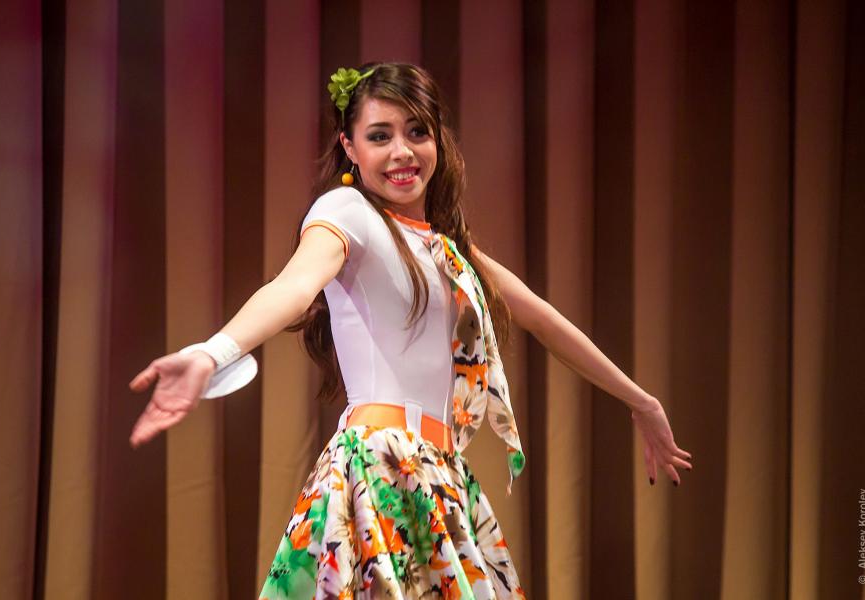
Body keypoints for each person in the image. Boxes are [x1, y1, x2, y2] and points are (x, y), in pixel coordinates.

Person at [128, 62, 693, 599]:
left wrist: (641, 402)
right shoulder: (347, 212)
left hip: (437, 472)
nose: (402, 151)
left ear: (438, 140)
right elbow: (293, 287)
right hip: (381, 464)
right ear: (350, 148)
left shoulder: (447, 248)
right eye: (380, 136)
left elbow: (543, 319)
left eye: (417, 131)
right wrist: (212, 352)